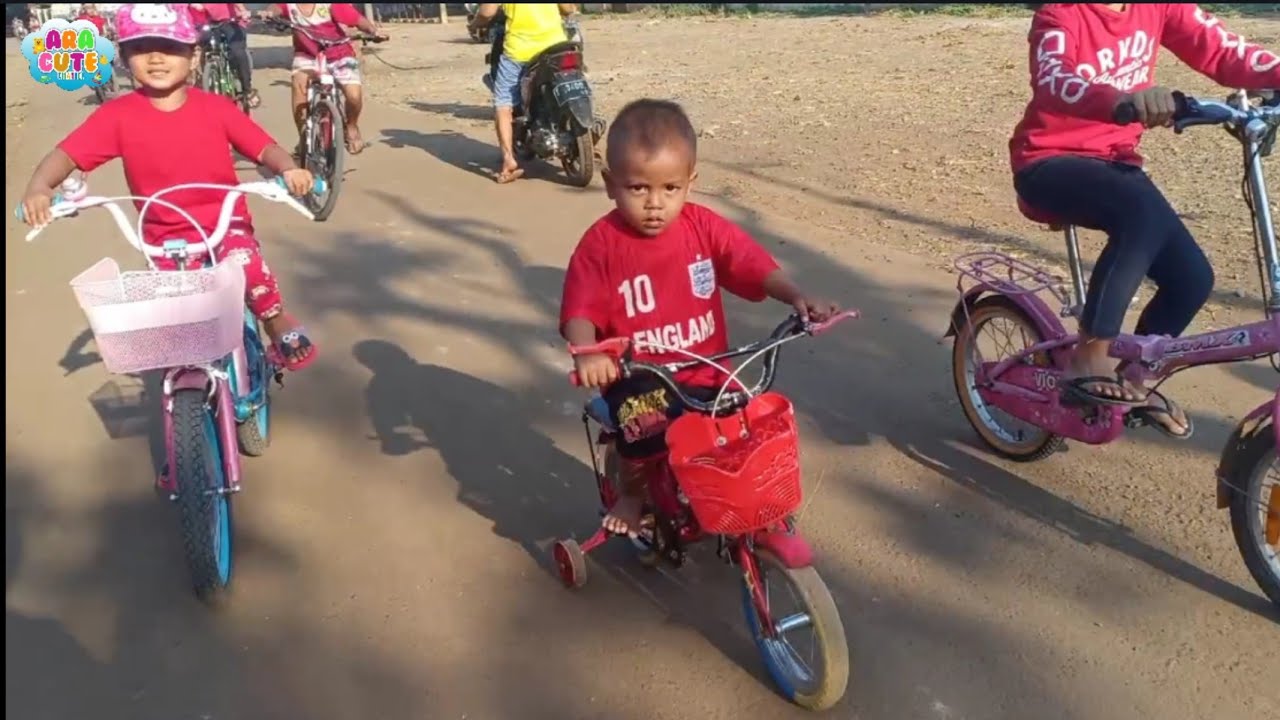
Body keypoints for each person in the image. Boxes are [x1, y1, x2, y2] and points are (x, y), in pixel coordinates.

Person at [560, 99, 839, 535]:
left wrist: (797, 296)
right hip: (641, 379)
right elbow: (580, 309)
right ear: (610, 183)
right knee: (643, 431)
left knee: (746, 430)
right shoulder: (601, 246)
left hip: (710, 373)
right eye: (638, 189)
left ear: (690, 183)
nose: (656, 203)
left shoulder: (702, 227)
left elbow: (751, 263)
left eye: (670, 188)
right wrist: (587, 353)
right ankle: (633, 496)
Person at [1010, 3, 1280, 438]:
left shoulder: (1159, 6)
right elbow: (1055, 81)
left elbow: (1224, 51)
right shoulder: (1060, 15)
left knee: (1191, 278)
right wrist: (1122, 100)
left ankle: (1130, 378)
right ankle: (1089, 357)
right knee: (1139, 210)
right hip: (1048, 162)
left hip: (1117, 166)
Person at [19, 3, 319, 371]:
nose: (156, 58)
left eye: (172, 48)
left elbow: (263, 146)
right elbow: (66, 156)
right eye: (141, 48)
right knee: (175, 316)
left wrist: (289, 169)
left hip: (225, 227)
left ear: (193, 58)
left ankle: (274, 320)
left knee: (248, 267)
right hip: (162, 236)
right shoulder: (117, 116)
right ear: (125, 57)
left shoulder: (216, 108)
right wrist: (39, 187)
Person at [257, 4, 387, 157]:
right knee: (299, 87)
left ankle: (351, 127)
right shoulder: (289, 5)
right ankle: (304, 137)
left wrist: (374, 31)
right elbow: (275, 8)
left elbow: (356, 19)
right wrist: (268, 13)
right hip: (307, 55)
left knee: (354, 96)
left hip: (340, 53)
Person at [469, 3, 578, 184]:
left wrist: (475, 24)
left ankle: (508, 160)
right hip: (556, 45)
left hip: (520, 52)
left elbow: (487, 12)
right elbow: (568, 9)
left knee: (503, 103)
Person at [189, 3, 258, 109]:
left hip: (231, 21)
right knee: (200, 46)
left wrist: (242, 10)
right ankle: (203, 78)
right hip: (209, 23)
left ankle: (247, 90)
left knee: (237, 52)